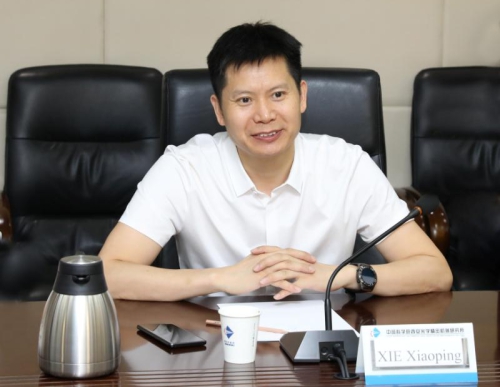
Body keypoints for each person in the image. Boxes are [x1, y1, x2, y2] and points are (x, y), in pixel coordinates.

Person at [99, 22, 452, 301]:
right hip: (215, 345)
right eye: (244, 100)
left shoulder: (347, 165)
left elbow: (435, 272)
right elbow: (107, 274)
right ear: (218, 110)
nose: (265, 115)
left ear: (302, 96)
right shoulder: (184, 168)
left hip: (326, 348)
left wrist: (340, 276)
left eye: (278, 94)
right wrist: (219, 279)